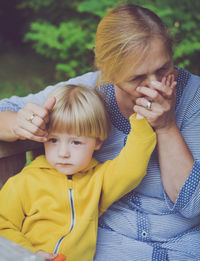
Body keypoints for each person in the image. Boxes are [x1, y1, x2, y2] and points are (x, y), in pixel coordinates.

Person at [0, 3, 199, 260]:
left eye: (163, 69)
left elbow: (192, 207)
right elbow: (5, 109)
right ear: (109, 71)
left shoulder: (194, 97)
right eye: (137, 78)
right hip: (105, 246)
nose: (155, 85)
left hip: (184, 245)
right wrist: (19, 122)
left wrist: (166, 126)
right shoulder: (86, 93)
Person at [0, 84, 156, 261]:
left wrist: (142, 119)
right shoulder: (24, 182)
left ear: (97, 142)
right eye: (53, 140)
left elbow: (131, 169)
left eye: (76, 142)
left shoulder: (98, 180)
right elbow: (3, 225)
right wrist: (30, 255)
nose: (63, 152)